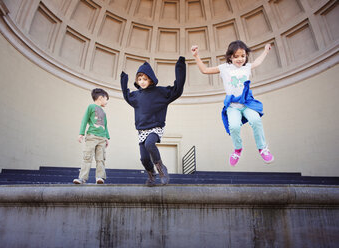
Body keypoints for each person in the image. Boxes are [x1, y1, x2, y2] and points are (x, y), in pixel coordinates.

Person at [191, 40, 274, 166]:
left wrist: (266, 51)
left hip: (247, 103)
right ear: (230, 56)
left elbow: (257, 62)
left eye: (243, 56)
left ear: (246, 56)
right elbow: (205, 70)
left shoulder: (247, 67)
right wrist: (196, 56)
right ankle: (237, 149)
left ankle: (262, 148)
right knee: (234, 127)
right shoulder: (224, 68)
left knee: (256, 120)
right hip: (233, 106)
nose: (240, 59)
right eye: (236, 56)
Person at [120, 56, 186, 186]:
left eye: (144, 79)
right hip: (142, 130)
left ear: (150, 79)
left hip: (155, 128)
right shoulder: (136, 96)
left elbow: (177, 90)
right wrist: (123, 80)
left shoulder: (160, 92)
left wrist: (180, 66)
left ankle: (161, 169)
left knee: (150, 144)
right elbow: (127, 96)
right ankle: (151, 175)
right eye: (139, 79)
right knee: (144, 158)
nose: (142, 81)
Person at [73, 88, 110, 184]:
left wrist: (107, 138)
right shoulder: (91, 107)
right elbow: (84, 120)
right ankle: (82, 178)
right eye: (106, 99)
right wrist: (81, 133)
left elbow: (105, 125)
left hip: (102, 138)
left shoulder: (104, 112)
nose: (107, 102)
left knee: (100, 159)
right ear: (101, 98)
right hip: (92, 136)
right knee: (87, 157)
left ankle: (100, 177)